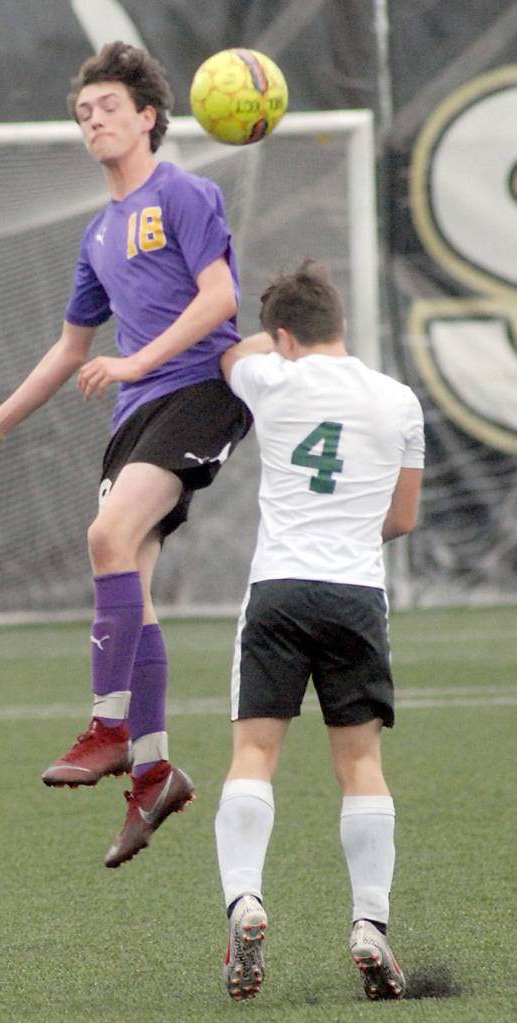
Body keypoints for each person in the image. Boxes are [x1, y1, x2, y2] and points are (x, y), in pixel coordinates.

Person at [0, 42, 251, 868]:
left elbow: (220, 298)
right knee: (130, 584)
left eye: (108, 106)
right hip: (135, 410)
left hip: (195, 390)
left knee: (105, 537)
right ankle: (152, 772)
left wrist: (139, 360)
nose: (93, 120)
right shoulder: (97, 233)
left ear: (148, 116)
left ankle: (110, 724)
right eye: (82, 112)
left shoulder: (184, 192)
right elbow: (71, 345)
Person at [214, 261, 424, 1003]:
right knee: (359, 761)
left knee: (254, 751)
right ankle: (369, 922)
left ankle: (244, 899)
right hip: (356, 591)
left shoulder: (272, 376)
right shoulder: (399, 400)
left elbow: (226, 350)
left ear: (284, 336)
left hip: (277, 586)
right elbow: (401, 518)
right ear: (339, 322)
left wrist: (264, 346)